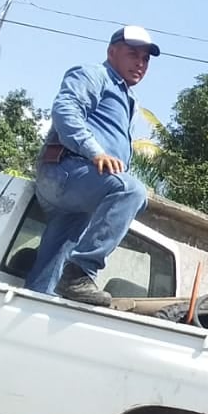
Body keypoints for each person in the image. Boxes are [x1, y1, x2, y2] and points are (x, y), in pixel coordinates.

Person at [24, 25, 161, 306]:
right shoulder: (94, 75)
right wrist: (95, 152)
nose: (140, 63)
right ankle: (81, 271)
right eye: (133, 54)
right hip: (66, 171)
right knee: (130, 192)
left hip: (79, 191)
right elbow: (65, 110)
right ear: (111, 52)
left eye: (145, 59)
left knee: (50, 270)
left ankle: (31, 310)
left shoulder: (127, 98)